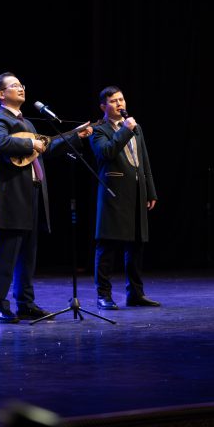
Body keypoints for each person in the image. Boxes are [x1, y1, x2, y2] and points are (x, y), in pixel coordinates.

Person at [0, 72, 92, 323]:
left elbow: (45, 147)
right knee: (6, 254)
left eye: (21, 84)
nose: (21, 88)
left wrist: (74, 135)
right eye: (14, 85)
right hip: (12, 197)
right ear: (1, 94)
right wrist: (30, 145)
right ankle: (0, 305)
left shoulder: (28, 124)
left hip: (32, 194)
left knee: (28, 254)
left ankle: (25, 304)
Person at [89, 86, 159, 310]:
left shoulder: (135, 127)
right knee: (107, 246)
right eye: (113, 101)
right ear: (103, 106)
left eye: (121, 99)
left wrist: (150, 190)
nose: (119, 104)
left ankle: (135, 293)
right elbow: (106, 153)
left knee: (136, 245)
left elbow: (144, 161)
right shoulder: (98, 130)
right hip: (114, 194)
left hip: (137, 192)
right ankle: (103, 295)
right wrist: (125, 130)